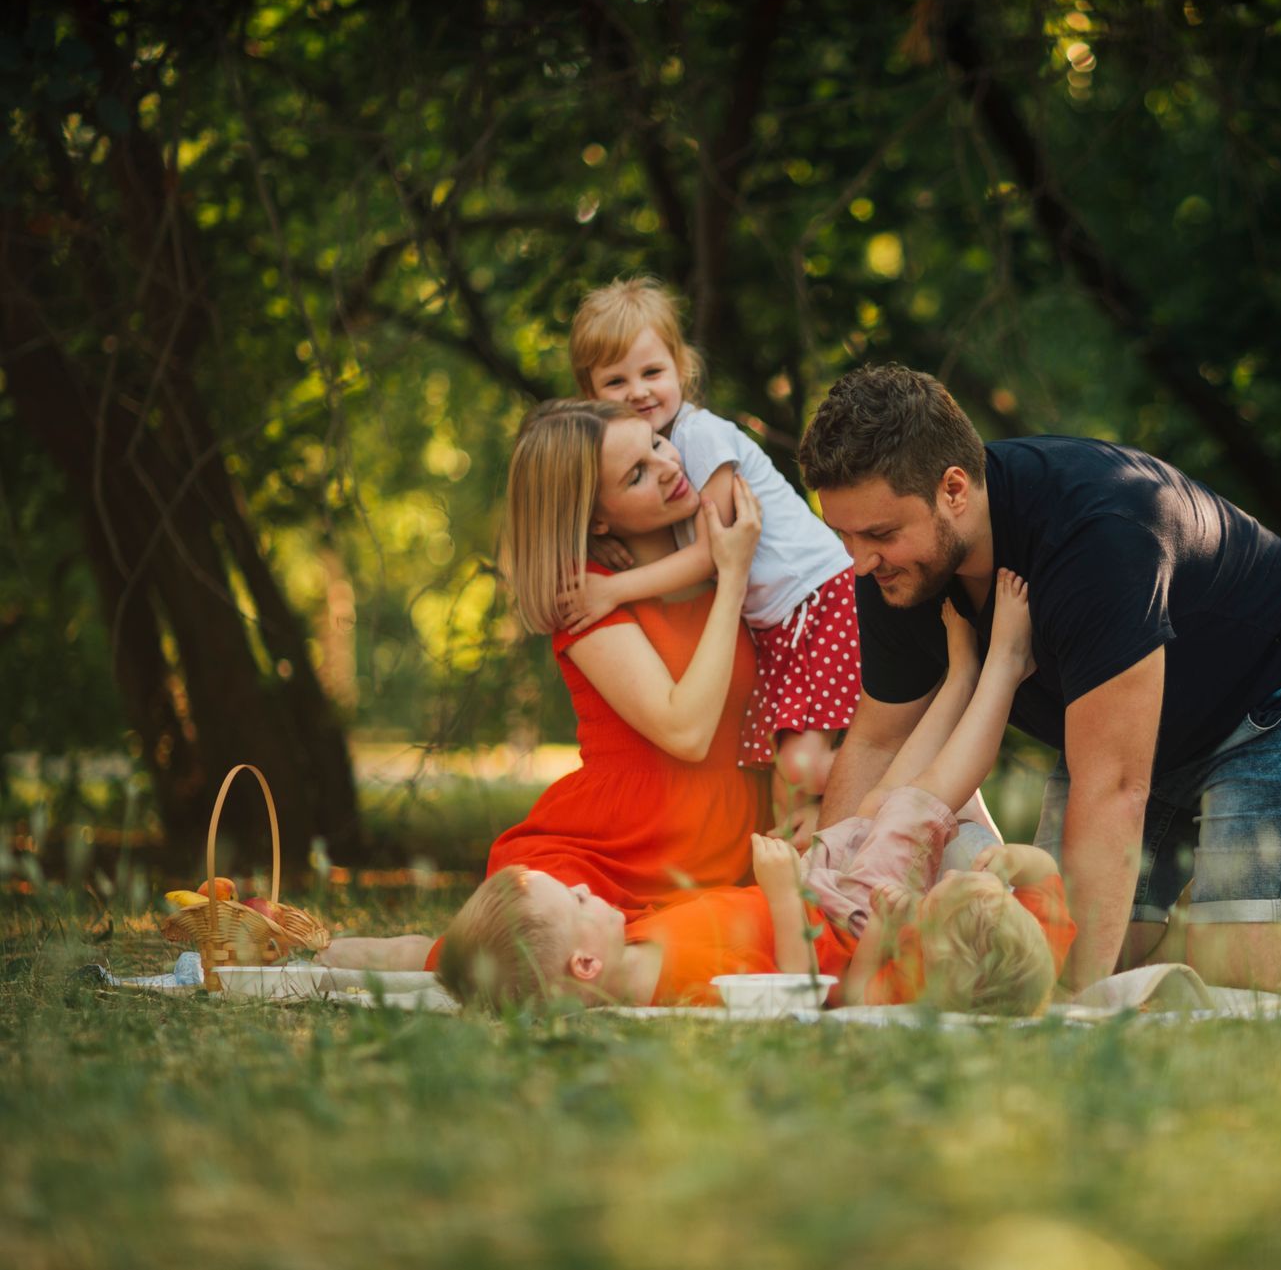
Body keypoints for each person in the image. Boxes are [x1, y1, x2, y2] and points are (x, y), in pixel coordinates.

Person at [794, 362, 1281, 996]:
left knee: (1248, 968)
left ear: (954, 489)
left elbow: (1116, 788)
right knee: (1084, 947)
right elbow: (881, 743)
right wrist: (821, 928)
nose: (859, 562)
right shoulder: (897, 573)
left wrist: (1075, 1005)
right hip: (1130, 733)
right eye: (845, 536)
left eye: (879, 535)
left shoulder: (1094, 539)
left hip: (1279, 694)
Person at [434, 571, 1074, 1015]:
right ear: (584, 966)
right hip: (845, 921)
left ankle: (960, 675)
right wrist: (782, 896)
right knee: (916, 802)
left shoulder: (635, 947)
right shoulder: (684, 990)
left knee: (884, 801)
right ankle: (1001, 668)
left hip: (823, 890)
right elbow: (798, 999)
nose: (582, 886)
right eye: (575, 898)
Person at [319, 398, 771, 971]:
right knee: (549, 966)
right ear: (597, 519)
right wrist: (731, 577)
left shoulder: (726, 552)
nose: (667, 466)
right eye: (635, 475)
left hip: (716, 845)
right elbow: (685, 730)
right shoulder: (586, 595)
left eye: (657, 443)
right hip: (606, 856)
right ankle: (361, 955)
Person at [565, 276, 859, 838]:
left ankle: (902, 768)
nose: (638, 392)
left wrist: (613, 589)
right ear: (590, 395)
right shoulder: (660, 454)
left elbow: (715, 556)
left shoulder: (700, 436)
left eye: (652, 373)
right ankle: (804, 883)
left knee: (800, 768)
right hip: (781, 623)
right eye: (615, 381)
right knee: (787, 785)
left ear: (681, 369)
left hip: (818, 600)